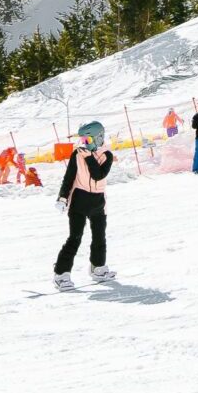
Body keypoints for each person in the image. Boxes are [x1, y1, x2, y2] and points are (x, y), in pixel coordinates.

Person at [53, 122, 115, 286]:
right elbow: (69, 177)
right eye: (82, 139)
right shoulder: (77, 154)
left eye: (87, 139)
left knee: (99, 236)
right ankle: (61, 274)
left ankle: (98, 268)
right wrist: (62, 197)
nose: (84, 143)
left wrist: (88, 157)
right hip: (79, 200)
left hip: (98, 201)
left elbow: (98, 175)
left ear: (98, 137)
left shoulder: (107, 155)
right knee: (75, 237)